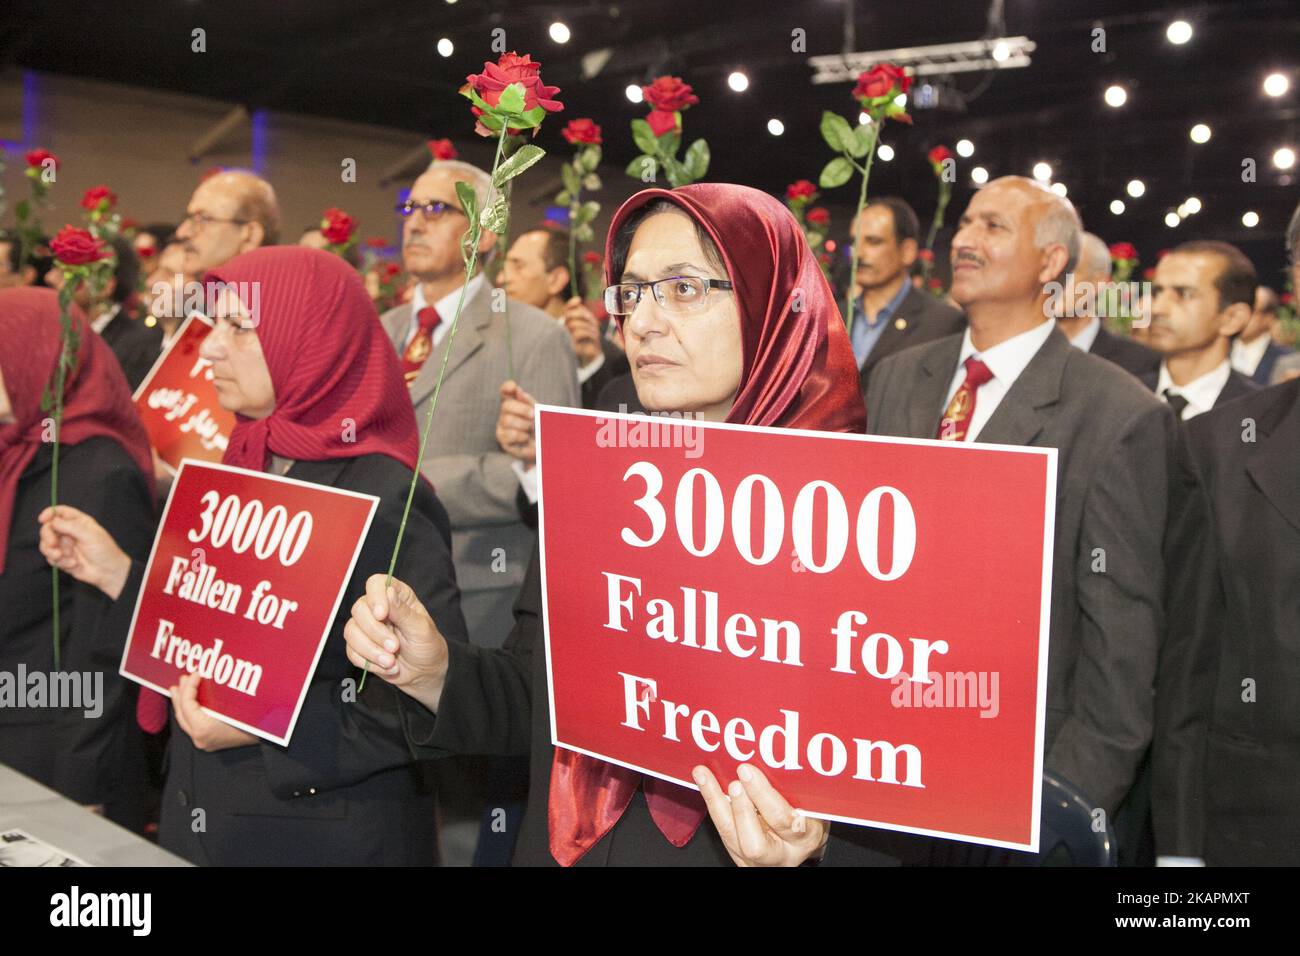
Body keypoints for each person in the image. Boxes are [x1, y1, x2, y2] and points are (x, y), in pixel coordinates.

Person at [347, 182, 883, 867]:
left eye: (683, 289)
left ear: (772, 302)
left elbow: (902, 786)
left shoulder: (859, 511)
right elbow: (540, 696)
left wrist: (818, 846)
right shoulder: (607, 458)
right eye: (631, 293)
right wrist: (435, 673)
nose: (644, 322)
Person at [36, 247, 468, 865]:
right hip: (207, 820)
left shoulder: (386, 492)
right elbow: (214, 625)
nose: (209, 347)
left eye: (238, 327)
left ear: (309, 341)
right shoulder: (243, 461)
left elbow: (433, 700)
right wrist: (117, 574)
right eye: (214, 325)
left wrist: (266, 730)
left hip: (321, 838)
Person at [865, 176, 1171, 833]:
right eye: (966, 224)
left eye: (994, 227)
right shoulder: (898, 376)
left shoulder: (1118, 416)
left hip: (1018, 784)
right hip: (881, 761)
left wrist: (1060, 812)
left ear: (1052, 262)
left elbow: (1120, 657)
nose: (966, 240)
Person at [0, 287, 155, 832]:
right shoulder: (15, 448)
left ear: (34, 357)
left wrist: (81, 787)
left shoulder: (97, 472)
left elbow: (105, 654)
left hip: (55, 754)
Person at [846, 197, 965, 396]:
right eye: (854, 241)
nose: (858, 253)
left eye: (873, 242)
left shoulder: (943, 324)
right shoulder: (830, 317)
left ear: (907, 251)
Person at [499, 226, 629, 408]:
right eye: (504, 266)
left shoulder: (612, 361)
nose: (501, 278)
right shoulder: (502, 344)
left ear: (556, 279)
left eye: (517, 266)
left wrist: (590, 368)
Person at [1140, 240, 1258, 418]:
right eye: (1157, 292)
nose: (1157, 309)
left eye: (1184, 294)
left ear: (1232, 319)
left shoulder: (1258, 415)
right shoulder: (1120, 397)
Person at [45, 234, 162, 392]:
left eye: (68, 274)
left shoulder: (138, 344)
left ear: (105, 286)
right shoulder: (53, 331)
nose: (50, 278)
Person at [1057, 232, 1159, 378]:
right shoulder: (1018, 348)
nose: (1054, 280)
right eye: (1048, 268)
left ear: (1098, 282)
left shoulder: (1137, 362)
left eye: (1069, 271)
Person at [174, 170, 280, 278]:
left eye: (203, 219)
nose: (181, 233)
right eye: (189, 218)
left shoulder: (267, 293)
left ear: (250, 236)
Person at [1232, 285, 1293, 386]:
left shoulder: (1285, 358)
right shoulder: (1219, 350)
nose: (1242, 317)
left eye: (1252, 311)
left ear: (1269, 318)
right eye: (1239, 310)